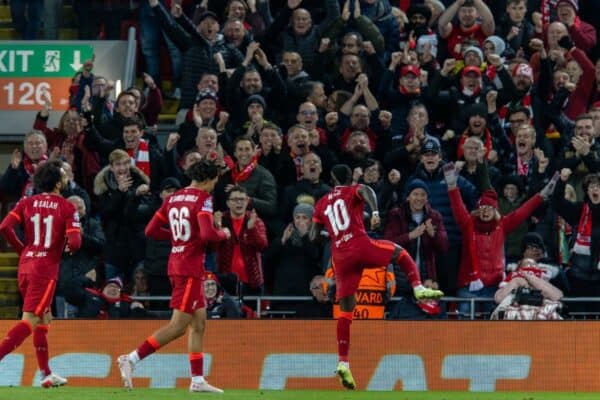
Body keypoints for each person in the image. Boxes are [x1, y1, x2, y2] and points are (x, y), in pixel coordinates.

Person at [310, 164, 443, 390]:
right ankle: (418, 287)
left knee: (345, 312)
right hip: (359, 244)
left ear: (331, 179)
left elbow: (313, 235)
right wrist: (374, 211)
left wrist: (329, 234)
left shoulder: (321, 203)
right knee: (399, 253)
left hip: (340, 257)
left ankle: (343, 362)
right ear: (351, 176)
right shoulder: (351, 190)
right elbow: (367, 192)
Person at [117, 159, 230, 393]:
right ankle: (132, 358)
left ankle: (197, 380)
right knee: (178, 326)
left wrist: (177, 239)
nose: (213, 187)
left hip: (178, 263)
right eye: (214, 182)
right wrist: (224, 233)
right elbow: (209, 234)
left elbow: (150, 230)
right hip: (188, 267)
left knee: (199, 323)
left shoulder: (173, 199)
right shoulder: (203, 199)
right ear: (208, 180)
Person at [0, 160, 82, 388]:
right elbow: (75, 242)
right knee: (29, 321)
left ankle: (46, 373)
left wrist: (22, 249)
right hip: (44, 270)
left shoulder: (27, 201)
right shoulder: (67, 207)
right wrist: (70, 246)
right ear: (57, 183)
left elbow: (5, 227)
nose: (66, 179)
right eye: (64, 176)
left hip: (26, 266)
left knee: (44, 319)